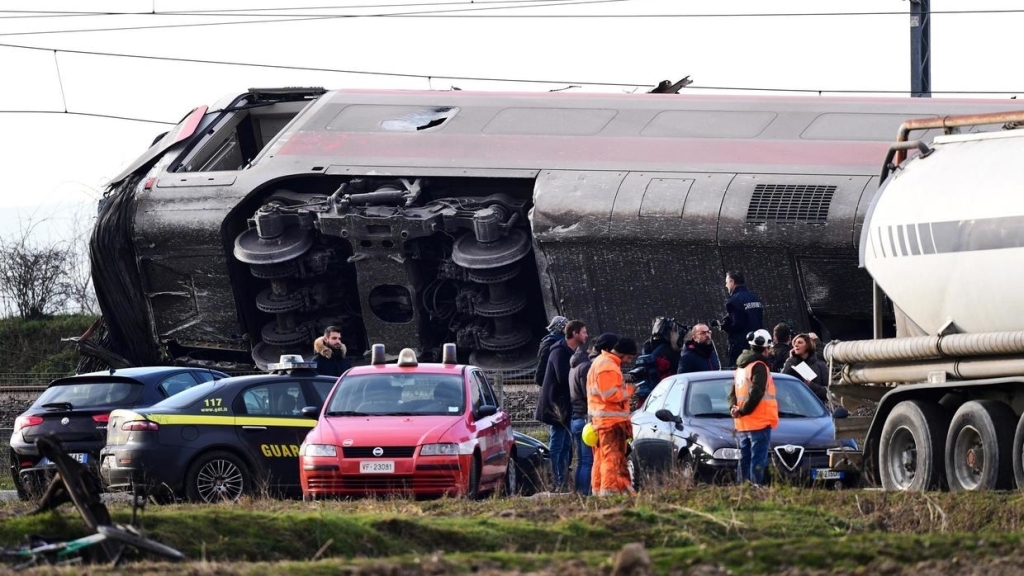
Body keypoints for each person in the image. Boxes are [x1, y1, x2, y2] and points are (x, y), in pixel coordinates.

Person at [535, 319, 588, 492]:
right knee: (557, 443)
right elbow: (563, 377)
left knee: (565, 444)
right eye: (584, 332)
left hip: (565, 404)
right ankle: (556, 480)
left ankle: (563, 479)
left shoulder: (569, 350)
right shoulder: (559, 351)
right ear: (574, 334)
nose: (587, 335)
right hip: (557, 405)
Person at [568, 332, 618, 496]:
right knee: (588, 461)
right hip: (586, 419)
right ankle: (586, 493)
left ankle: (580, 493)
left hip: (576, 417)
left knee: (582, 460)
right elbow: (590, 394)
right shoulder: (586, 368)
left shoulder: (575, 366)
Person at [588, 337, 638, 497]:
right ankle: (612, 493)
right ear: (623, 353)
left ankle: (599, 491)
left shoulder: (600, 362)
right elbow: (609, 394)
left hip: (602, 422)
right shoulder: (608, 366)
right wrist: (629, 391)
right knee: (613, 459)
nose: (629, 361)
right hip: (611, 423)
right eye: (629, 357)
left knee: (602, 459)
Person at [728, 329, 779, 486]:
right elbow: (757, 392)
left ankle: (742, 489)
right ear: (765, 348)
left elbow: (732, 393)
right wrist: (744, 410)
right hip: (759, 421)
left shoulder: (740, 368)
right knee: (758, 459)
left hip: (744, 423)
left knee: (745, 458)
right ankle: (755, 489)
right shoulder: (759, 366)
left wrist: (734, 409)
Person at [634, 317, 682, 406]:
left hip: (647, 392)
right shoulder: (669, 351)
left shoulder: (647, 347)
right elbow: (678, 372)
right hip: (665, 392)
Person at [721, 271, 764, 368]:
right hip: (757, 344)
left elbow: (738, 325)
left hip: (741, 347)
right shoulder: (755, 297)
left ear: (732, 282)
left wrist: (725, 327)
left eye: (726, 282)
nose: (726, 285)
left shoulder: (733, 301)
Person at [782, 333, 830, 403]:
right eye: (795, 343)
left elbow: (828, 392)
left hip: (816, 405)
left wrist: (812, 385)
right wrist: (790, 360)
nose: (796, 345)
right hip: (796, 405)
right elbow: (783, 383)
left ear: (808, 345)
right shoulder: (791, 363)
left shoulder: (821, 365)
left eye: (800, 342)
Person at [535, 315, 568, 386]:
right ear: (560, 328)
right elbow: (541, 372)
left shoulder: (562, 341)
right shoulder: (549, 345)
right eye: (566, 326)